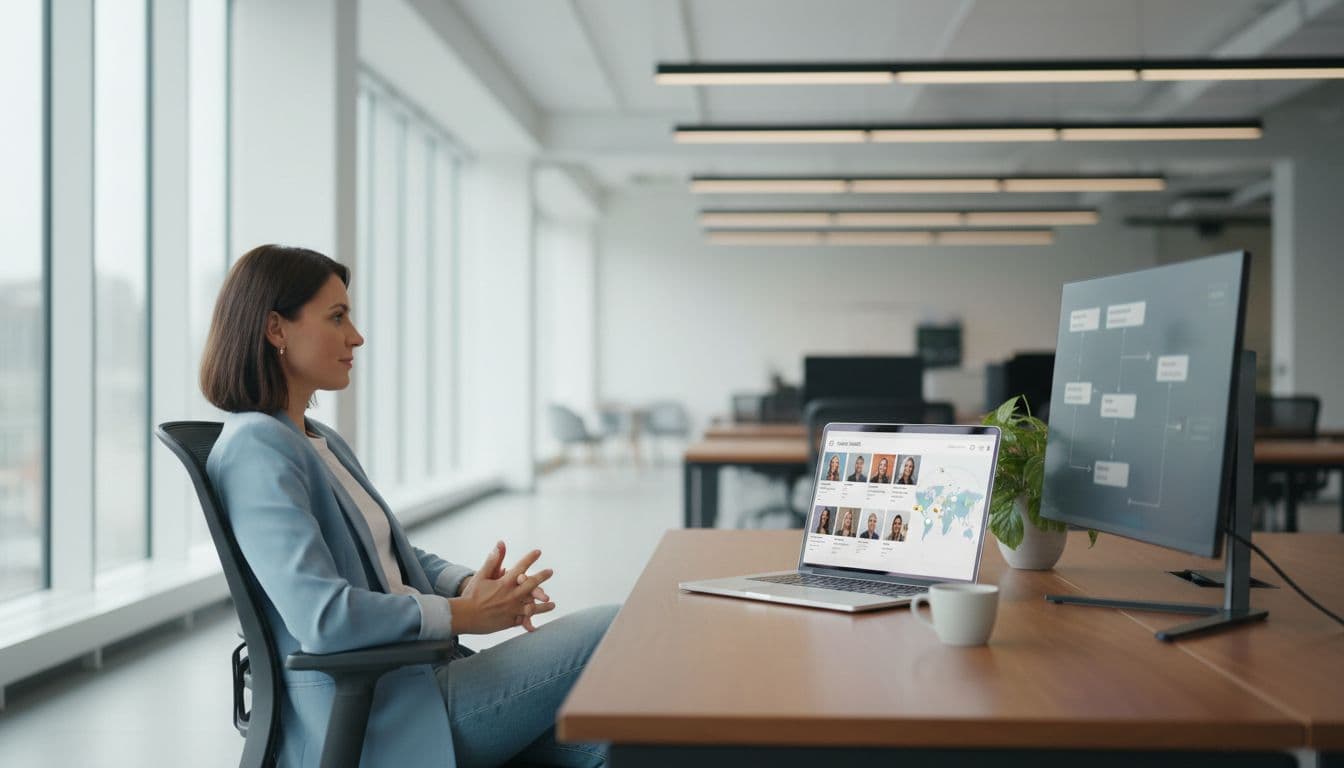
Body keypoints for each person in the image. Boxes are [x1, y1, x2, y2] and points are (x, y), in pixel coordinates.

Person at [201, 245, 615, 768]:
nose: (356, 336)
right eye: (337, 317)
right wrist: (463, 615)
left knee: (617, 748)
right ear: (276, 329)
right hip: (385, 714)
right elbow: (323, 617)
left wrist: (467, 586)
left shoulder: (314, 438)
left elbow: (387, 551)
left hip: (419, 684)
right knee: (614, 627)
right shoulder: (257, 450)